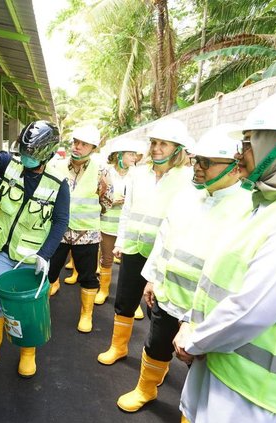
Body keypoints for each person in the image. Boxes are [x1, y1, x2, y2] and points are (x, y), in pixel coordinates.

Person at [173, 89, 276, 422]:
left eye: (248, 143)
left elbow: (251, 310)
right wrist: (192, 322)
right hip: (224, 373)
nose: (238, 154)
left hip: (257, 397)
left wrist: (195, 339)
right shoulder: (267, 204)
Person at [116, 124, 252, 412]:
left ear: (235, 167)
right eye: (196, 161)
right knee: (156, 345)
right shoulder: (188, 196)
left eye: (206, 162)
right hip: (168, 296)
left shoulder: (247, 208)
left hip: (206, 310)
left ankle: (192, 414)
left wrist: (195, 319)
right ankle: (146, 388)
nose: (198, 168)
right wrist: (152, 279)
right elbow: (164, 239)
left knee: (201, 366)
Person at [0, 120, 70, 378]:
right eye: (22, 151)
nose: (25, 158)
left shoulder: (58, 183)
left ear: (46, 154)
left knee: (26, 309)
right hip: (1, 251)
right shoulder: (11, 164)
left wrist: (45, 255)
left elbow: (60, 222)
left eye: (30, 154)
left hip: (31, 259)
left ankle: (27, 355)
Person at [97, 118, 193, 366]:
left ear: (178, 149)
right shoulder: (138, 174)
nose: (157, 148)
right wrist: (121, 240)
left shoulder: (188, 178)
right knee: (125, 301)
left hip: (164, 257)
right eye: (154, 143)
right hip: (134, 249)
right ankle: (118, 347)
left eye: (164, 144)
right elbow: (127, 212)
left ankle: (156, 364)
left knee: (159, 312)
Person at [48, 124, 113, 333]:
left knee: (87, 276)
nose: (77, 147)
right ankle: (50, 289)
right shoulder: (57, 166)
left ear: (92, 148)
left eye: (83, 144)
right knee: (49, 269)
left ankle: (86, 314)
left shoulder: (102, 171)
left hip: (87, 233)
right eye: (76, 142)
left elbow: (108, 201)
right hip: (59, 230)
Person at [95, 137, 147, 305]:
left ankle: (133, 300)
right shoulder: (105, 171)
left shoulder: (139, 174)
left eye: (135, 155)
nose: (134, 158)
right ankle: (103, 290)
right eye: (131, 154)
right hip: (107, 224)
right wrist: (110, 200)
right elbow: (96, 194)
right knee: (107, 258)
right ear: (119, 155)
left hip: (130, 227)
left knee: (131, 265)